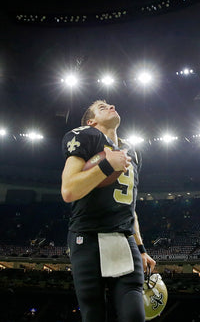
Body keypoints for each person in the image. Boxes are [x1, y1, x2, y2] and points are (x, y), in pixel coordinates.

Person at [61, 99, 156, 322]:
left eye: (111, 104)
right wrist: (106, 165)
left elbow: (129, 207)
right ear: (91, 122)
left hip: (124, 239)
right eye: (102, 108)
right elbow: (68, 190)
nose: (111, 106)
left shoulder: (131, 151)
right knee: (93, 315)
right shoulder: (85, 136)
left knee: (134, 316)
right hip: (87, 235)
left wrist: (141, 248)